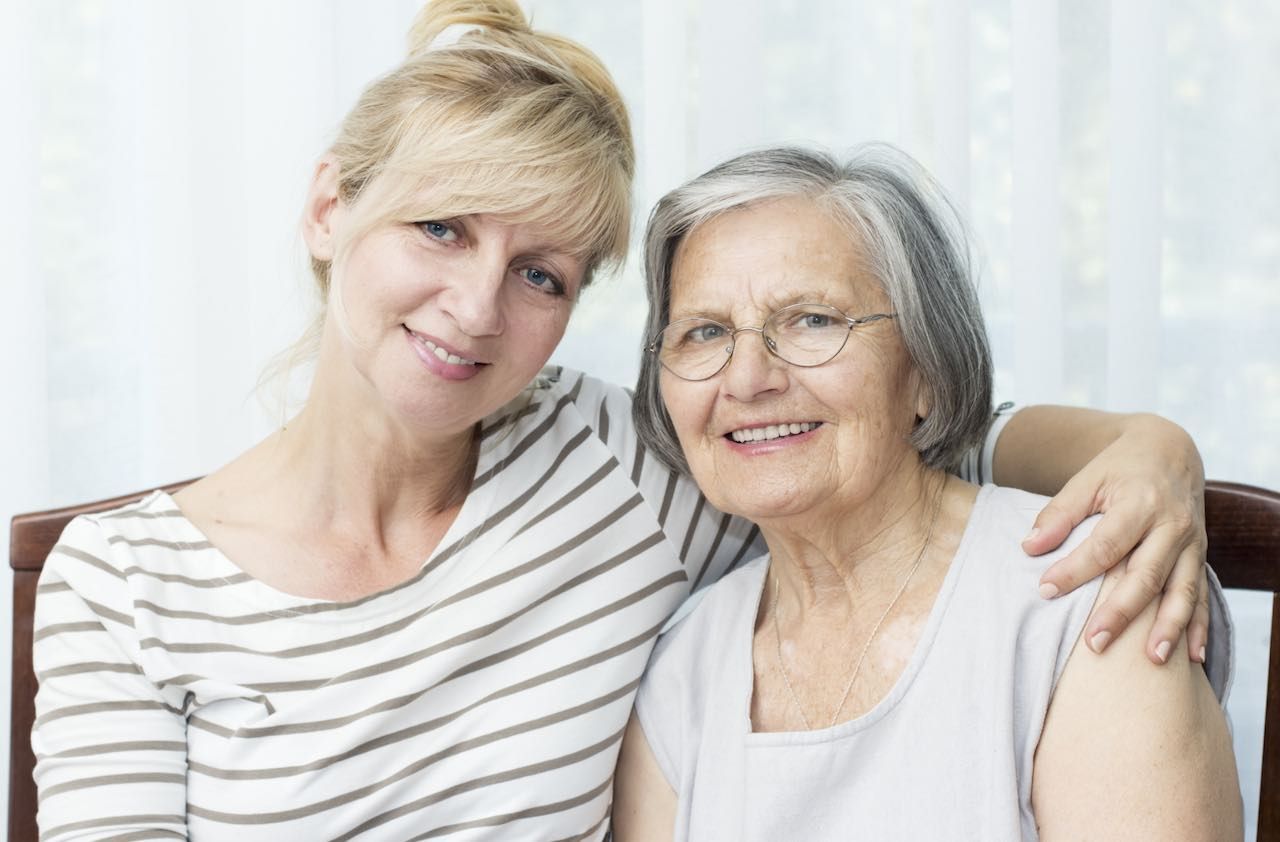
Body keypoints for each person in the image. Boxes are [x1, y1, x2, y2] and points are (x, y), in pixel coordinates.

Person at [32, 3, 1214, 839]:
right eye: (441, 227)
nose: (475, 304)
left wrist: (1144, 450)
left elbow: (900, 442)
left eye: (541, 271)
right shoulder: (122, 582)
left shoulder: (617, 469)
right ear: (331, 206)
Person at [612, 145, 1240, 841]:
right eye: (705, 332)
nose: (748, 378)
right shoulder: (682, 667)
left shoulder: (1082, 597)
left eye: (812, 319)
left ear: (927, 371)